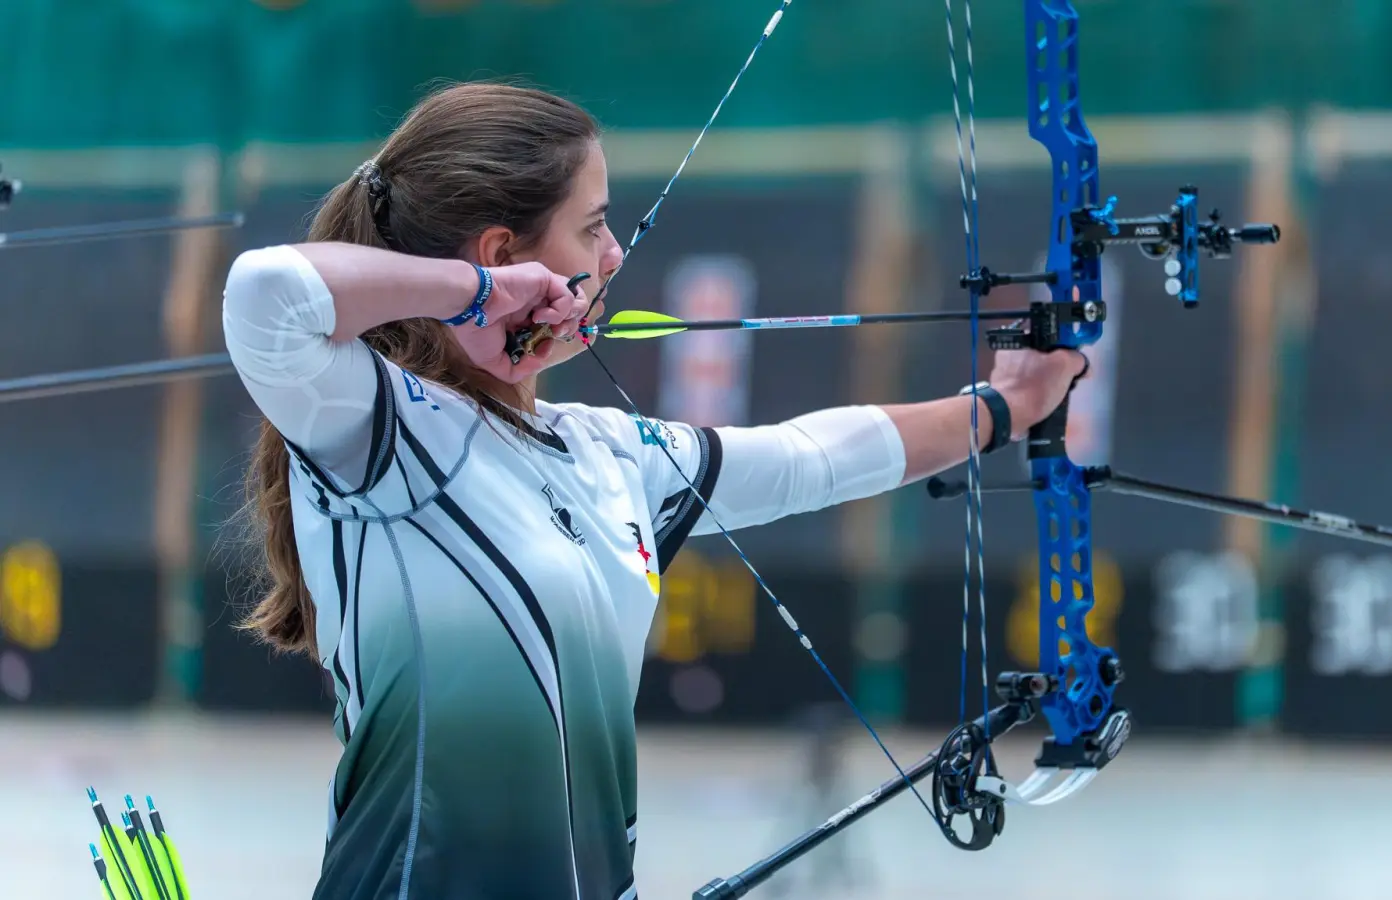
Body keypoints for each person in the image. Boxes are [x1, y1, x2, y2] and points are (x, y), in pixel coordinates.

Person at [223, 81, 1084, 900]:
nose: (614, 253)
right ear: (501, 252)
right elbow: (268, 293)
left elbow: (812, 455)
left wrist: (1006, 405)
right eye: (592, 228)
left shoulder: (607, 454)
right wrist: (482, 295)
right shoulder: (381, 430)